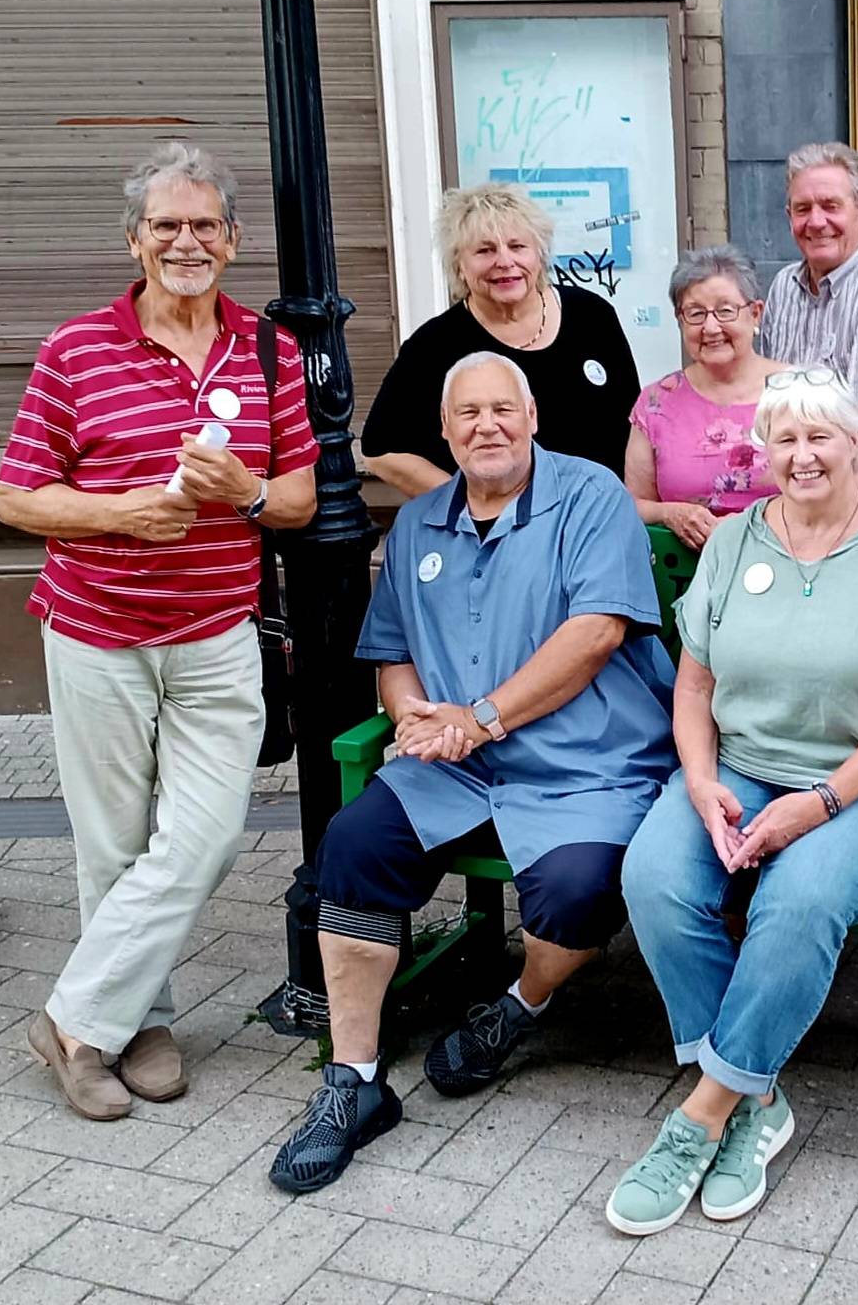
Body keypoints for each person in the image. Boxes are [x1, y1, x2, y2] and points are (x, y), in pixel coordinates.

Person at [269, 352, 677, 1194]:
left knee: (576, 892)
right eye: (468, 414)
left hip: (586, 765)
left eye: (502, 409)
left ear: (532, 419)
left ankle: (519, 1005)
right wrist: (411, 716)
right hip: (458, 765)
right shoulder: (419, 522)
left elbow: (596, 632)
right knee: (353, 845)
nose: (487, 426)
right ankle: (354, 1079)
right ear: (445, 433)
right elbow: (391, 651)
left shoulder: (591, 495)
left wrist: (481, 716)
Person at [605, 370, 858, 1236]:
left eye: (820, 437)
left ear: (854, 444)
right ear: (763, 451)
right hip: (740, 763)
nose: (803, 455)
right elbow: (693, 687)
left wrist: (818, 802)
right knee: (654, 876)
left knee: (797, 902)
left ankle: (700, 1116)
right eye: (784, 439)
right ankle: (756, 1099)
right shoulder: (733, 542)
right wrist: (701, 782)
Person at [0, 143, 318, 1121]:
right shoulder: (75, 349)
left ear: (234, 239)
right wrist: (120, 514)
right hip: (96, 630)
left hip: (217, 632)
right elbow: (16, 496)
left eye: (204, 224)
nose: (186, 241)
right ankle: (137, 1023)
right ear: (133, 239)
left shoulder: (270, 350)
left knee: (205, 837)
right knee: (113, 843)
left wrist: (246, 490)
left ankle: (71, 1020)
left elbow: (298, 500)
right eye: (166, 225)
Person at [360, 183, 639, 496]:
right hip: (502, 524)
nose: (505, 262)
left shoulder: (592, 316)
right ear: (459, 266)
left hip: (599, 513)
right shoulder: (434, 346)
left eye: (518, 246)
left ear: (540, 254)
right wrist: (470, 504)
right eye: (485, 250)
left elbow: (635, 424)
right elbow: (381, 451)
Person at [758, 142, 858, 467]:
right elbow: (770, 403)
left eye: (831, 206)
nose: (816, 221)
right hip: (795, 472)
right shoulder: (783, 286)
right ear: (789, 217)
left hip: (855, 474)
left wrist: (857, 501)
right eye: (803, 209)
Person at [626, 245, 783, 550]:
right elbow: (633, 503)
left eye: (725, 311)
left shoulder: (799, 393)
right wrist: (670, 514)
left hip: (786, 561)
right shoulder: (656, 402)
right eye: (695, 313)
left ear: (755, 314)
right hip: (687, 569)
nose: (711, 328)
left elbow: (833, 492)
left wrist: (748, 522)